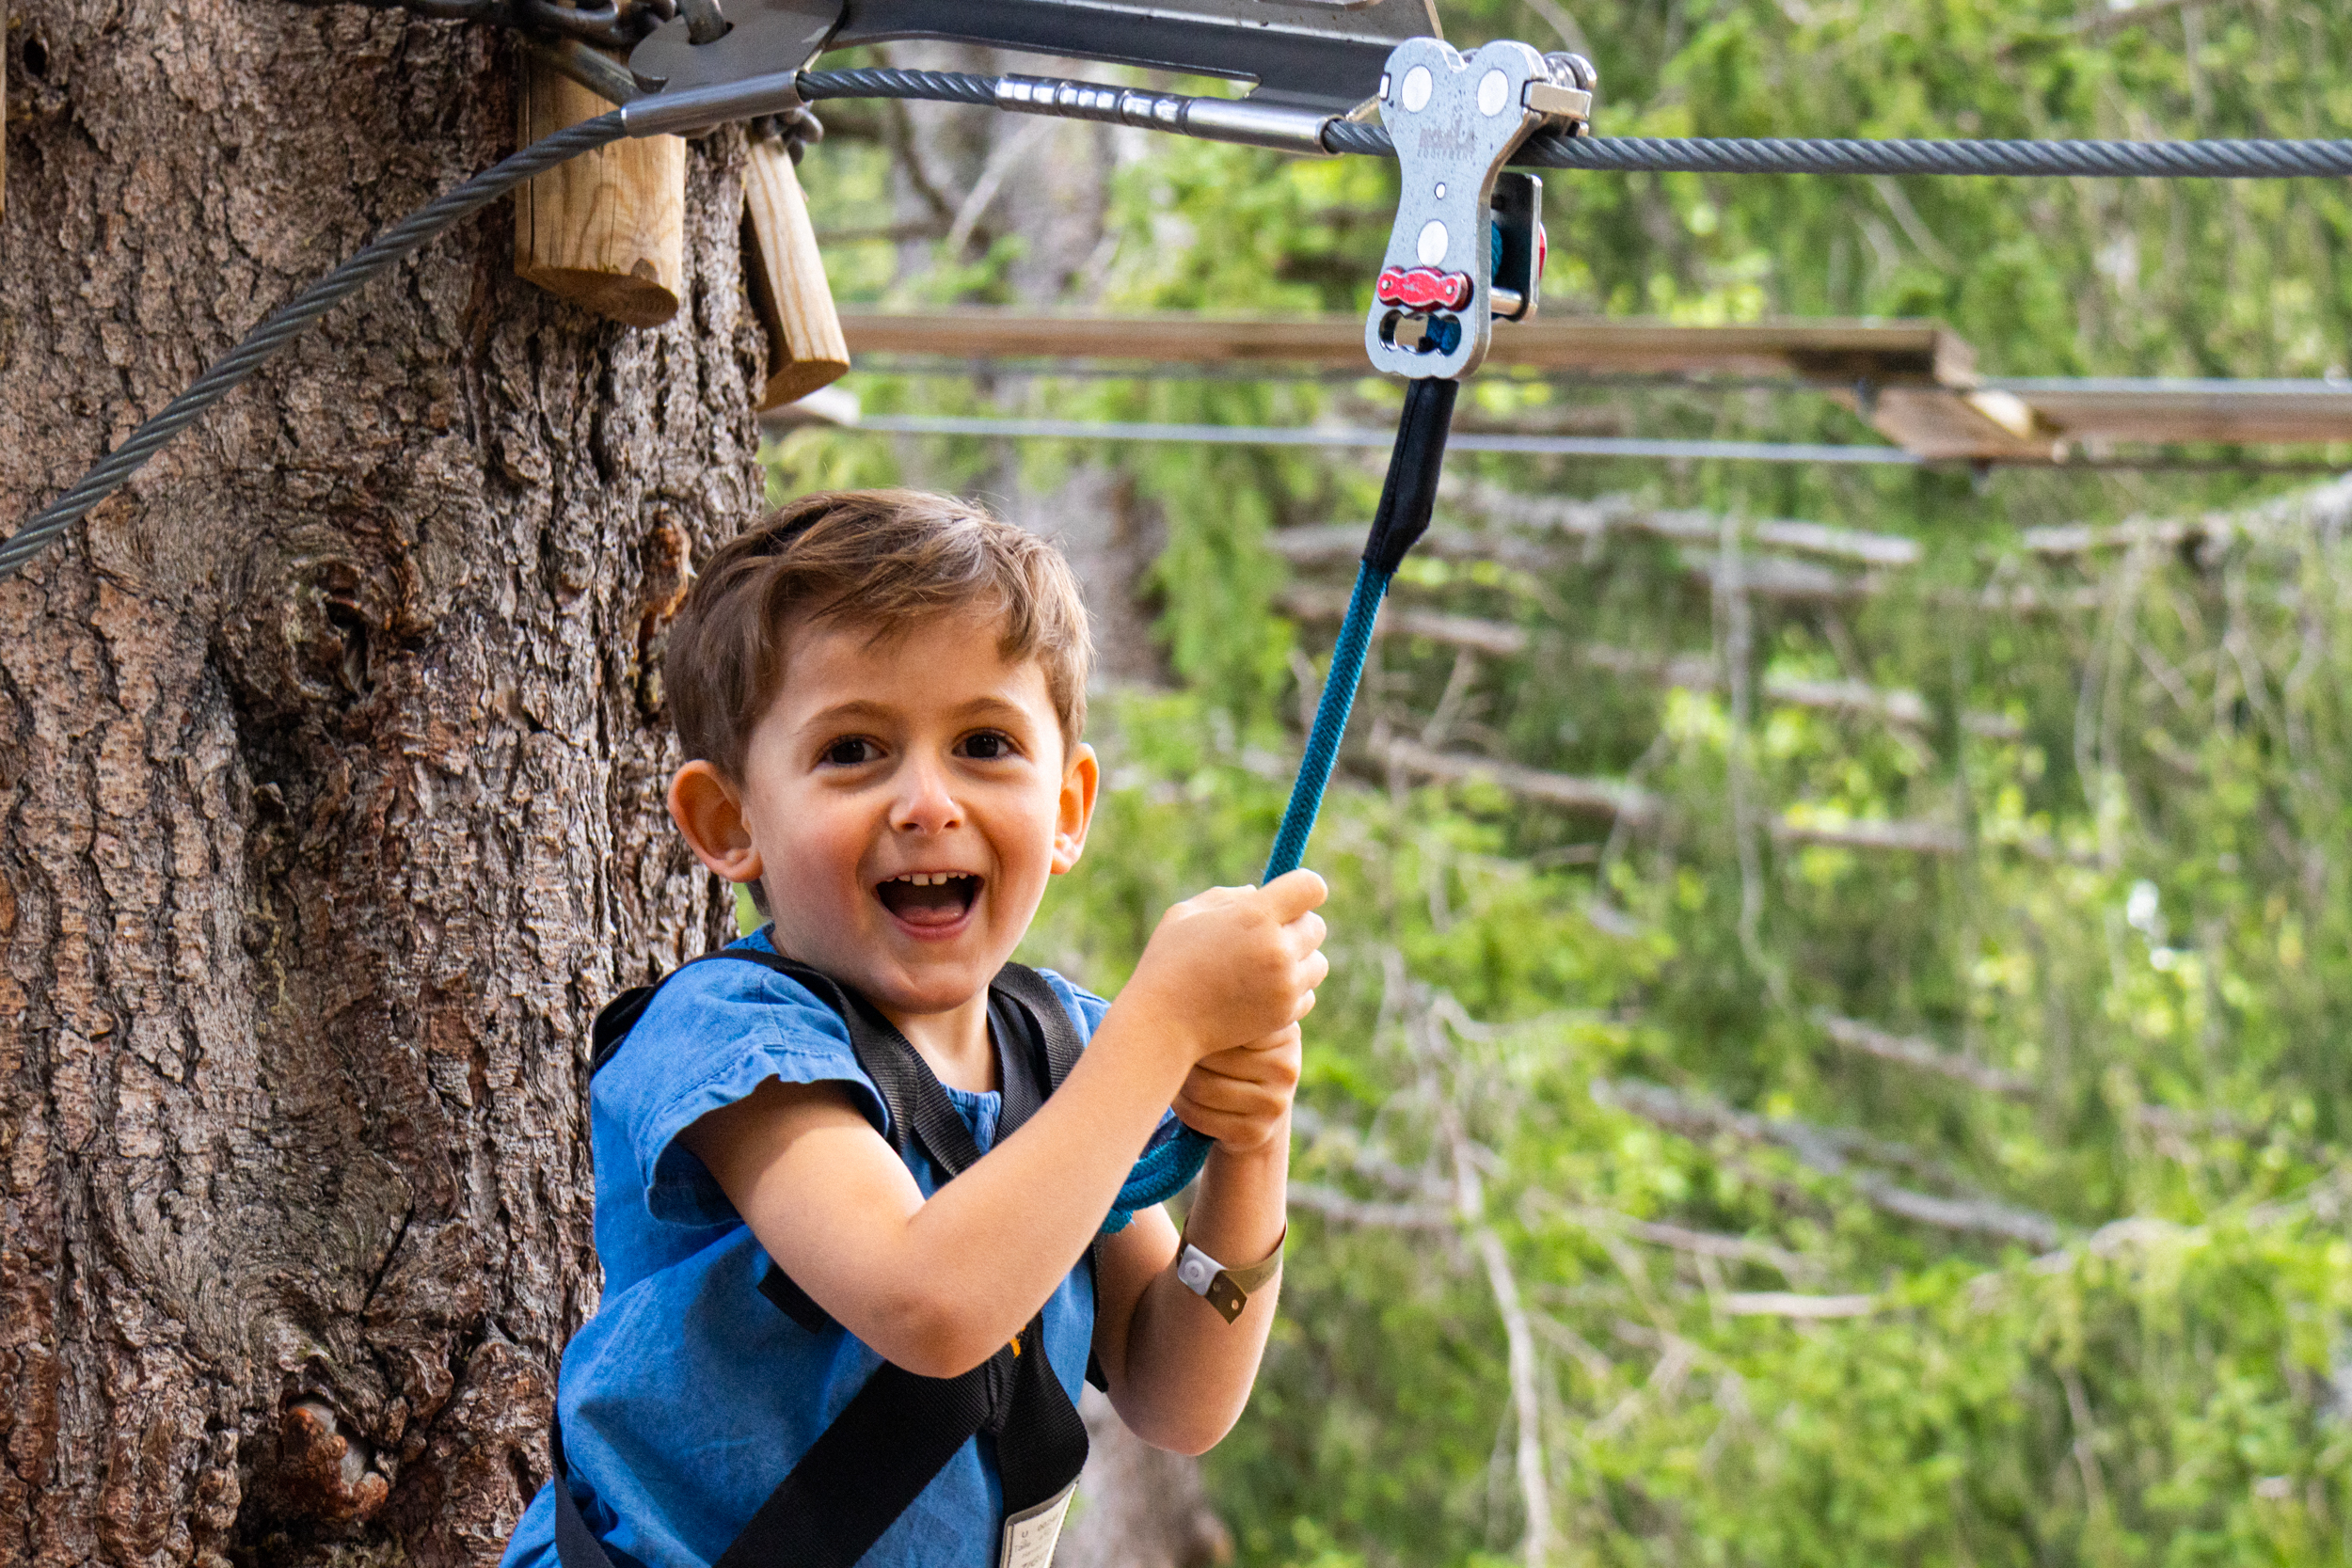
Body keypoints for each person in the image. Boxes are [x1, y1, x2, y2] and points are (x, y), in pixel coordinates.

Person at [501, 488, 1328, 1568]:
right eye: (853, 749)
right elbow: (927, 1302)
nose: (926, 801)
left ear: (1069, 807)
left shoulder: (1059, 1055)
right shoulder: (732, 1040)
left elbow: (1173, 1389)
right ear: (730, 820)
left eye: (984, 741)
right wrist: (1163, 1025)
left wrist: (1249, 1135)